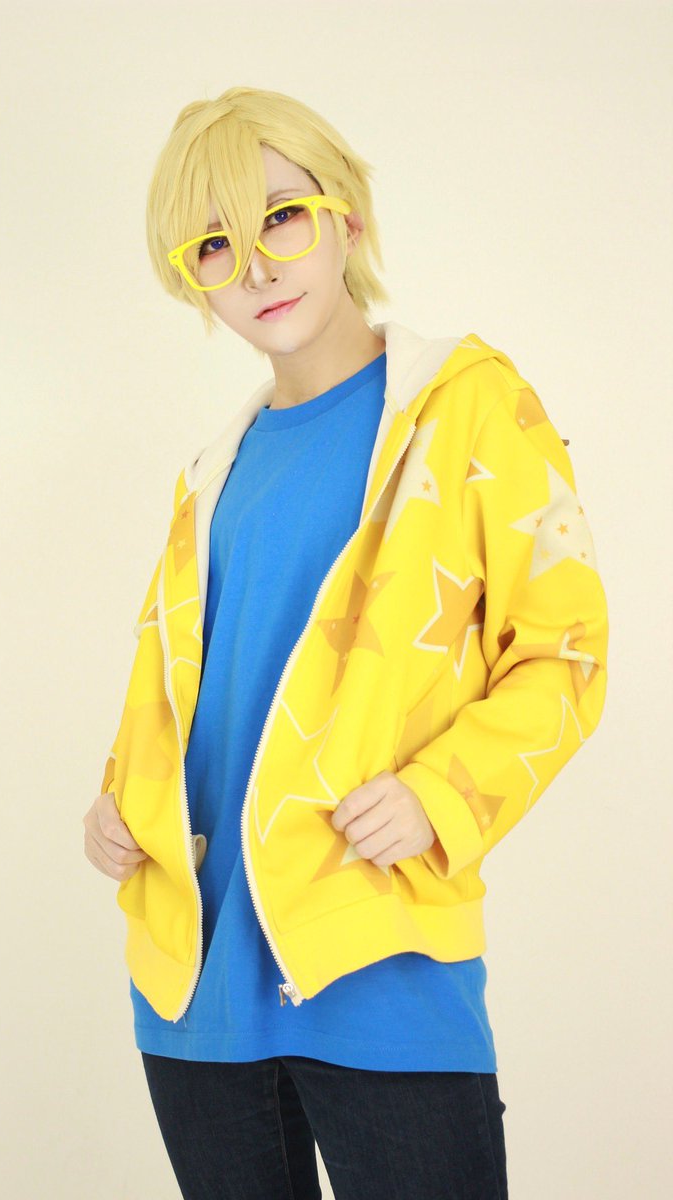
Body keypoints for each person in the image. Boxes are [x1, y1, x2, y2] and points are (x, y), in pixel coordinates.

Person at [83, 86, 609, 1200]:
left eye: (281, 217)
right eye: (214, 245)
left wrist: (440, 793)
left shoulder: (466, 406)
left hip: (380, 960)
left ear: (347, 216)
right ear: (192, 278)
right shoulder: (209, 473)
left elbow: (563, 652)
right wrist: (120, 804)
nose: (256, 268)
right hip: (195, 995)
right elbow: (191, 694)